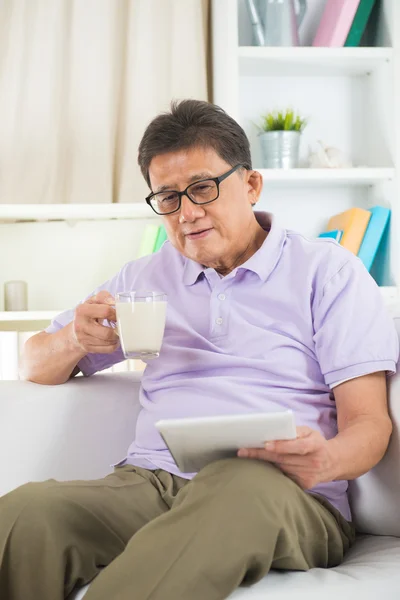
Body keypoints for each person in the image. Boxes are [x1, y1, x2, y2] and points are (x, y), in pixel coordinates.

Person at [0, 100, 398, 600]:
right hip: (151, 483)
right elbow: (31, 363)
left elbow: (370, 423)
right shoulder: (141, 279)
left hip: (283, 493)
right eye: (167, 197)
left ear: (250, 184)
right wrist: (74, 339)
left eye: (203, 188)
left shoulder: (328, 272)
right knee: (28, 512)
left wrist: (328, 460)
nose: (187, 212)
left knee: (237, 489)